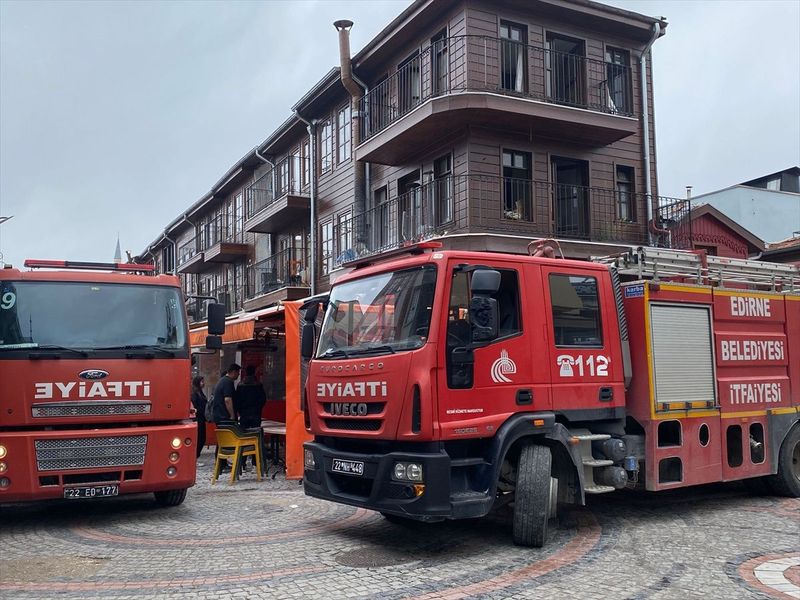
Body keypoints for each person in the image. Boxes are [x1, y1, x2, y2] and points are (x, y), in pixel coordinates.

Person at [235, 365, 267, 469]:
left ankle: (242, 462)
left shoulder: (240, 385)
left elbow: (237, 401)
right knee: (256, 438)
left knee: (244, 438)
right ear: (254, 372)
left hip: (244, 415)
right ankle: (255, 461)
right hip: (255, 415)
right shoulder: (258, 385)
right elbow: (263, 400)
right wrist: (257, 409)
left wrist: (241, 412)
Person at [210, 363, 241, 471]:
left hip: (219, 415)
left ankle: (221, 463)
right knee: (225, 440)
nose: (238, 375)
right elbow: (227, 400)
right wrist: (232, 415)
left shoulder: (222, 381)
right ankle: (221, 464)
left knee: (222, 440)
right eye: (238, 373)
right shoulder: (228, 382)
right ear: (233, 372)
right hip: (224, 416)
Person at [190, 376, 207, 459]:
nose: (203, 383)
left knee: (202, 438)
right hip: (197, 419)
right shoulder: (194, 394)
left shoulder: (200, 393)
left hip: (202, 418)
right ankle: (195, 457)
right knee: (199, 439)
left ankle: (196, 456)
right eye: (201, 381)